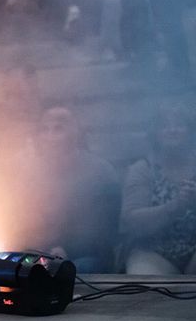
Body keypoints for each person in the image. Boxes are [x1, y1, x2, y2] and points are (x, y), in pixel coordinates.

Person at [121, 104, 196, 275]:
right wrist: (174, 208)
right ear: (155, 134)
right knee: (142, 277)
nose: (172, 130)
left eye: (179, 124)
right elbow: (131, 222)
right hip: (153, 254)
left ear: (190, 131)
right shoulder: (142, 169)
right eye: (164, 125)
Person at [12, 106, 120, 273]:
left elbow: (105, 230)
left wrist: (67, 250)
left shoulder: (100, 172)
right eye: (45, 129)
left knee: (78, 270)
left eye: (59, 128)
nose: (51, 136)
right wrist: (41, 248)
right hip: (40, 253)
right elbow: (21, 220)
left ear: (76, 132)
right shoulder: (30, 174)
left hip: (87, 255)